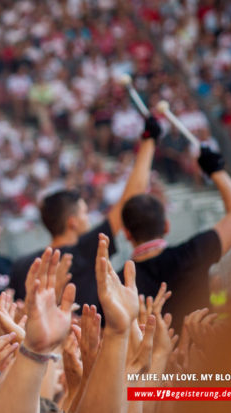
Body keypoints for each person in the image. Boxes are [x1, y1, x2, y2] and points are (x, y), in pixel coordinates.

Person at [9, 116, 162, 309]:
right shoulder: (84, 251)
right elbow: (130, 201)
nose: (88, 218)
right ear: (72, 222)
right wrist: (148, 142)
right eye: (83, 212)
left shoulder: (22, 265)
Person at [119, 146, 231, 330]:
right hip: (201, 356)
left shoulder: (117, 282)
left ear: (127, 233)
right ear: (166, 226)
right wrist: (216, 170)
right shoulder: (193, 253)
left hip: (147, 359)